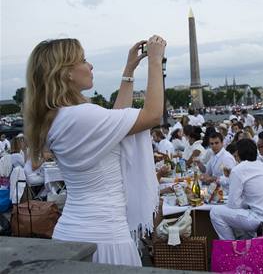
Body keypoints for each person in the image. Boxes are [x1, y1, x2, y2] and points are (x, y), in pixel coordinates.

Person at [24, 36, 166, 266]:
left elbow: (116, 125)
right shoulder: (80, 115)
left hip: (73, 232)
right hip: (104, 237)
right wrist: (156, 61)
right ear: (66, 72)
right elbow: (152, 115)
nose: (90, 65)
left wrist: (129, 70)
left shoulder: (61, 116)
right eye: (83, 60)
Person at [210, 139, 263, 240]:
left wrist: (240, 202)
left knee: (215, 212)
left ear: (238, 153)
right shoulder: (262, 165)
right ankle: (246, 243)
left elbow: (233, 205)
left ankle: (231, 248)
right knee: (244, 211)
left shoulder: (238, 170)